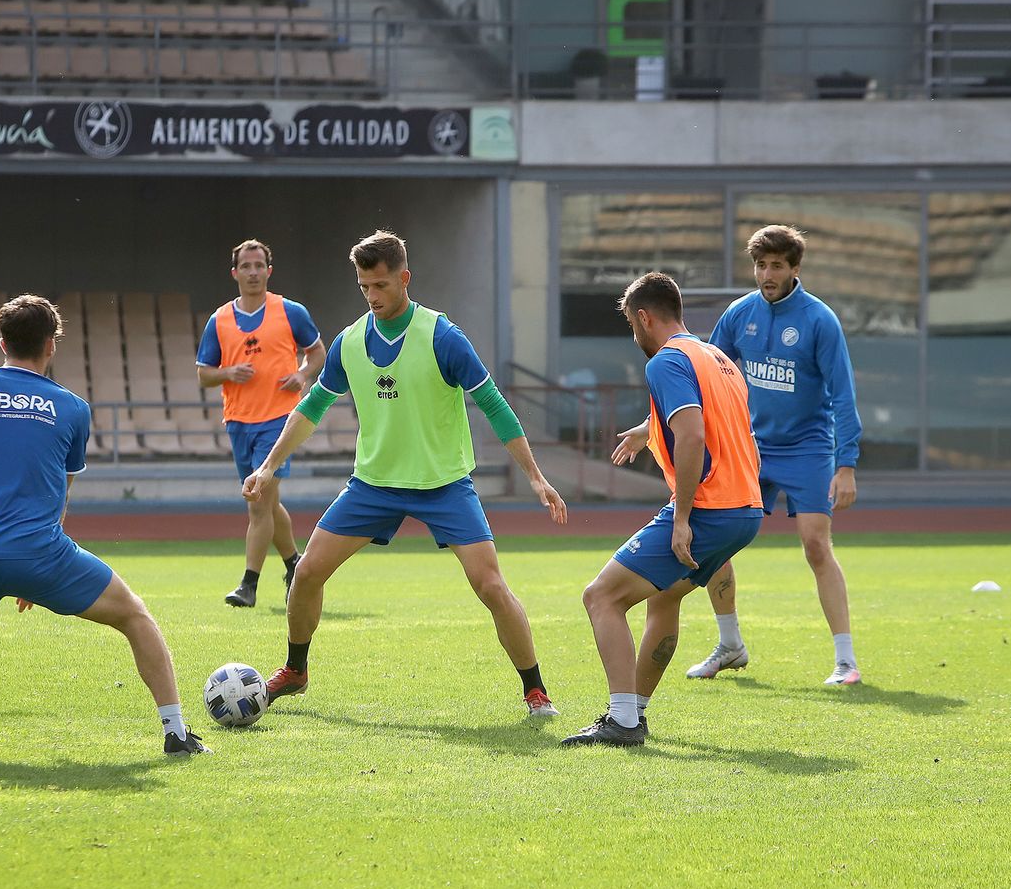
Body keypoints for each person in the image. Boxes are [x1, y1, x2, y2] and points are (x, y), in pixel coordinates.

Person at [242, 230, 569, 718]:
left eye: (381, 285)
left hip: (444, 485)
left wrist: (536, 477)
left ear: (405, 278)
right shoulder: (350, 342)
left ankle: (535, 690)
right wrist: (268, 467)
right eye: (364, 287)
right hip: (373, 486)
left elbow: (493, 404)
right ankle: (296, 670)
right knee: (306, 573)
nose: (372, 296)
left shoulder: (443, 336)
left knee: (491, 587)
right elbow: (311, 408)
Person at [0, 294, 209, 756]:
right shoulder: (72, 408)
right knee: (134, 616)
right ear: (51, 344)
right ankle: (176, 733)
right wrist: (33, 573)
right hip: (41, 555)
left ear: (2, 342)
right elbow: (61, 491)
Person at [616, 224, 865, 686]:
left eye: (777, 266)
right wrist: (650, 427)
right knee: (719, 534)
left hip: (808, 447)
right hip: (748, 445)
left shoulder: (820, 320)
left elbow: (843, 395)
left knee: (816, 544)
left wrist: (845, 462)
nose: (767, 274)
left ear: (795, 268)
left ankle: (846, 660)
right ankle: (730, 644)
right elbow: (703, 381)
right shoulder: (739, 314)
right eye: (760, 265)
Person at [565, 272, 763, 747]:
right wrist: (648, 429)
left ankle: (622, 721)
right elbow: (718, 424)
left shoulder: (665, 362)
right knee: (665, 597)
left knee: (601, 597)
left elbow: (692, 435)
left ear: (643, 317)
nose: (633, 335)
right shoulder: (717, 358)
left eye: (631, 325)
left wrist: (682, 518)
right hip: (745, 509)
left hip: (709, 508)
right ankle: (635, 712)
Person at [196, 238, 326, 608]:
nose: (253, 272)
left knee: (257, 501)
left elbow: (317, 352)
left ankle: (248, 584)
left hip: (280, 420)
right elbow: (204, 375)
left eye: (259, 266)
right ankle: (294, 564)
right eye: (246, 266)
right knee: (268, 502)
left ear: (269, 271)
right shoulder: (219, 320)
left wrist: (302, 375)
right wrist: (228, 372)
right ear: (234, 273)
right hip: (239, 421)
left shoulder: (290, 311)